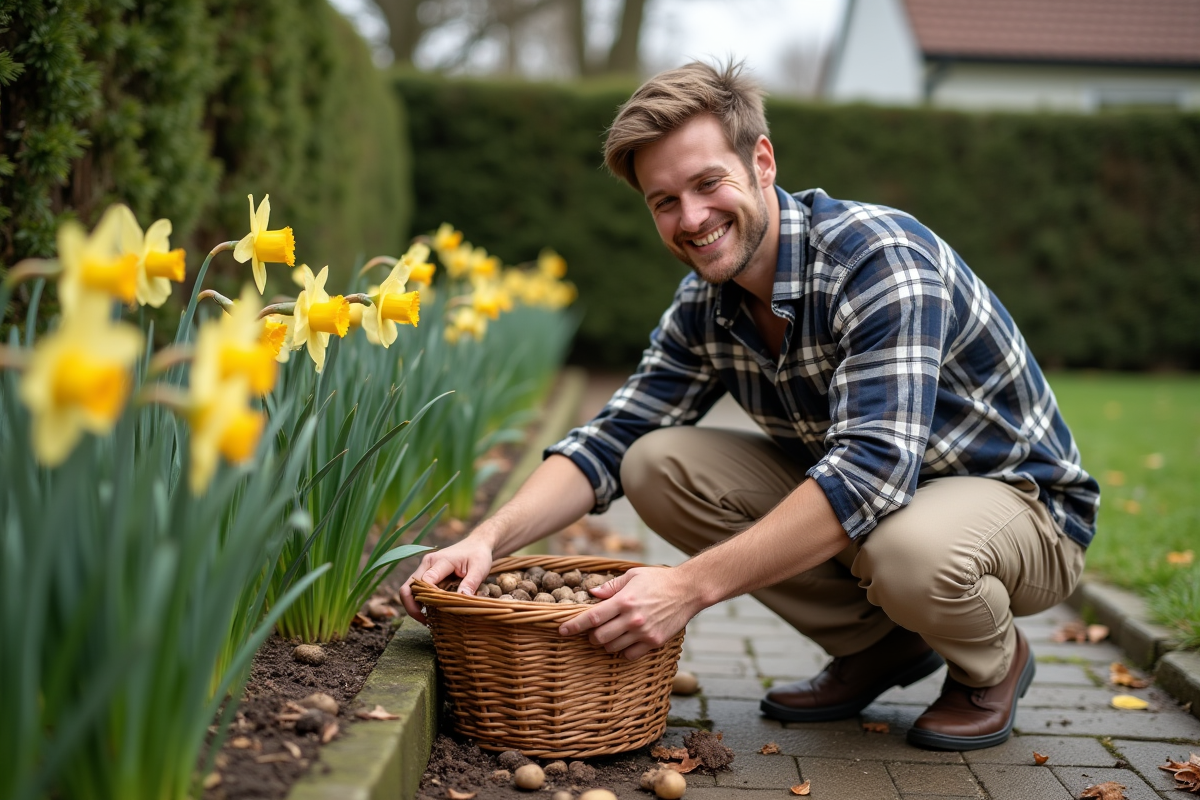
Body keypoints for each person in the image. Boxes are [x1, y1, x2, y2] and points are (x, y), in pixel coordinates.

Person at [400, 60, 1100, 752]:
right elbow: (612, 440)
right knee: (655, 463)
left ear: (761, 160)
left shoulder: (877, 259)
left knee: (909, 549)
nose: (692, 218)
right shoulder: (705, 305)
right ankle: (881, 649)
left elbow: (871, 473)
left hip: (1024, 509)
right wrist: (488, 539)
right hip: (892, 504)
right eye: (664, 201)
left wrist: (687, 588)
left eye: (708, 183)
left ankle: (992, 665)